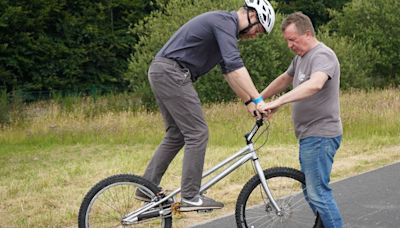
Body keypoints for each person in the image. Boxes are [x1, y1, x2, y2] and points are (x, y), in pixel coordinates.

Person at [135, 0, 276, 212]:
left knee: (176, 134)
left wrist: (248, 101)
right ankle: (191, 195)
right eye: (258, 30)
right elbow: (237, 66)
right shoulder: (224, 22)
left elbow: (229, 71)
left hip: (162, 71)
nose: (255, 35)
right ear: (252, 16)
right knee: (197, 132)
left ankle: (146, 188)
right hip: (173, 72)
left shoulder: (225, 30)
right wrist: (258, 99)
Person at [261, 12, 343, 228]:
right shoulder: (301, 58)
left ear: (307, 34)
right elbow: (285, 79)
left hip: (321, 135)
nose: (289, 45)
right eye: (287, 40)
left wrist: (279, 103)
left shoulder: (322, 56)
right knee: (313, 193)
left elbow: (315, 84)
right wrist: (261, 97)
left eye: (292, 40)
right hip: (309, 136)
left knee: (319, 194)